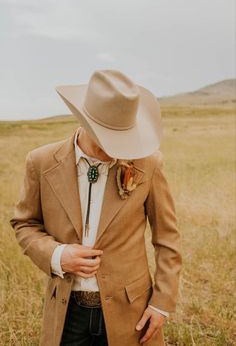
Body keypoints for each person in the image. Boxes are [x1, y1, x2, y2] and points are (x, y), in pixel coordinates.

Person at [10, 69, 182, 346]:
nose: (120, 150)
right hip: (66, 312)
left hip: (132, 313)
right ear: (86, 124)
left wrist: (161, 303)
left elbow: (167, 238)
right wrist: (56, 254)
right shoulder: (40, 162)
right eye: (110, 139)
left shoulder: (149, 163)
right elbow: (25, 223)